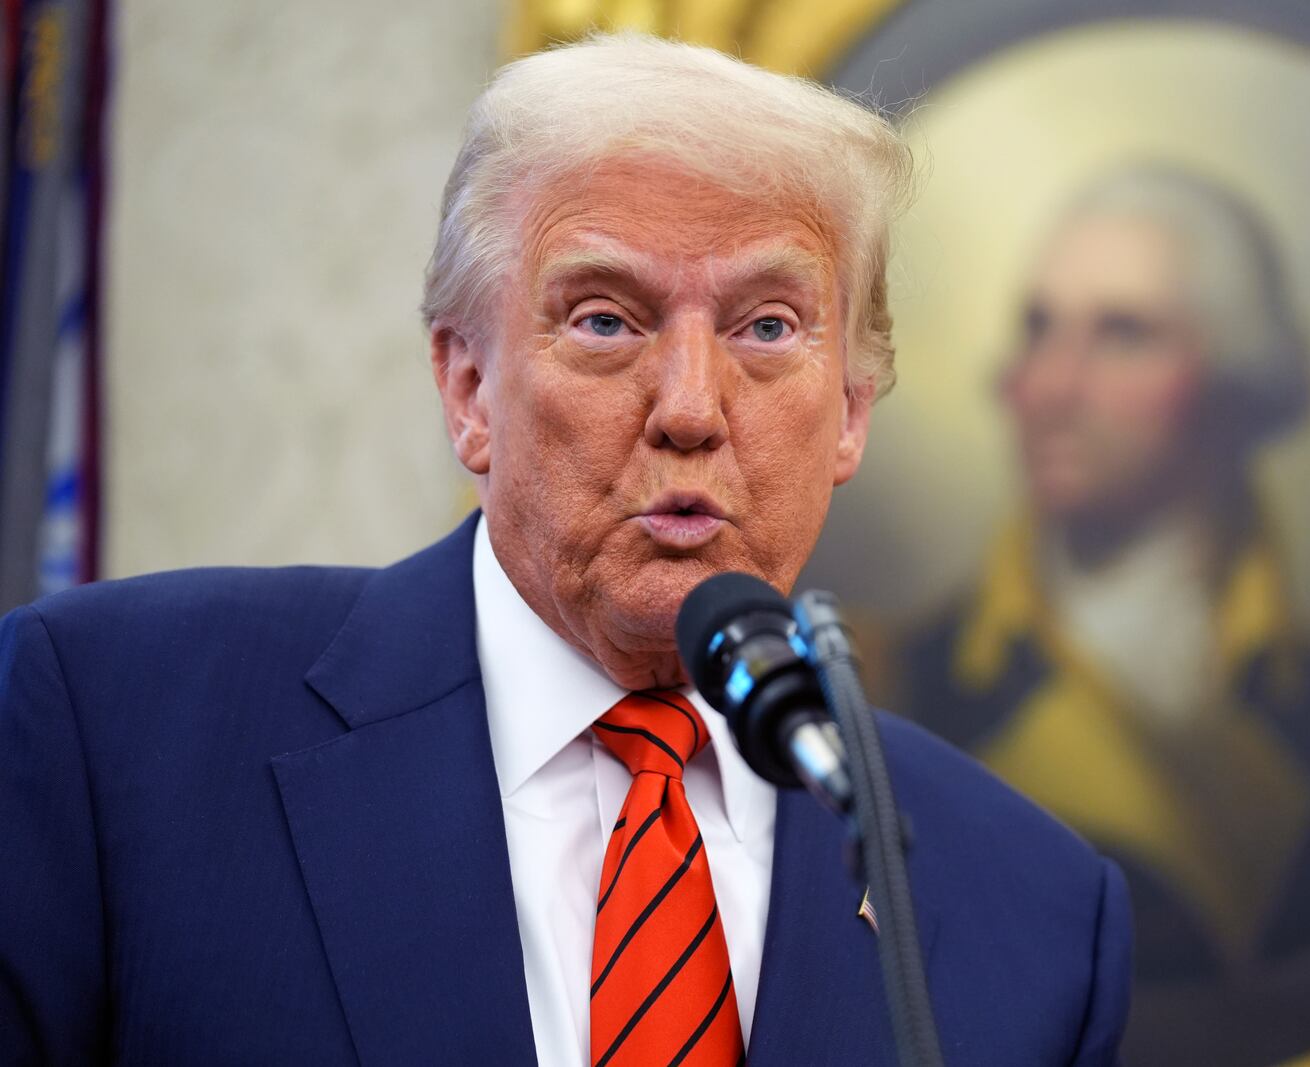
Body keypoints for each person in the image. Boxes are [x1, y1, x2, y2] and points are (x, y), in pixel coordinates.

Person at [0, 34, 1130, 1066]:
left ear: (848, 412)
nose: (691, 407)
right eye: (605, 318)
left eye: (767, 327)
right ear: (467, 384)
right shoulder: (113, 730)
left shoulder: (1032, 912)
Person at [902, 165, 1310, 981]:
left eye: (1124, 334)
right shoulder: (889, 688)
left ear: (1233, 379)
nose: (1050, 385)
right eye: (1039, 328)